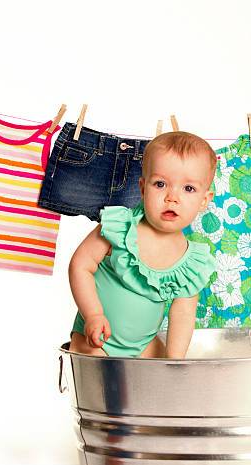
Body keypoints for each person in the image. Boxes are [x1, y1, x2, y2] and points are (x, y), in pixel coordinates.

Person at [68, 132, 216, 358]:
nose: (171, 197)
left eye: (188, 189)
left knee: (161, 380)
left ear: (204, 200)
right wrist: (93, 315)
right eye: (160, 184)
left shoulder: (192, 262)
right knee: (100, 379)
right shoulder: (121, 227)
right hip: (97, 339)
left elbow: (183, 314)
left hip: (144, 346)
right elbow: (81, 265)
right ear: (143, 187)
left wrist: (174, 362)